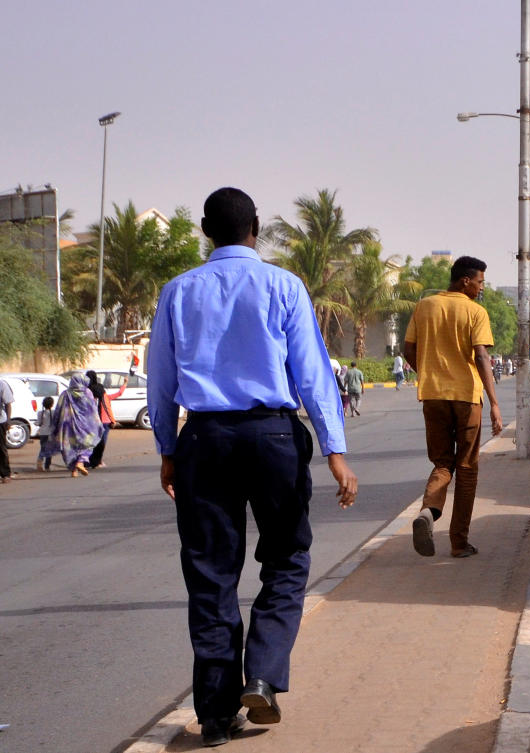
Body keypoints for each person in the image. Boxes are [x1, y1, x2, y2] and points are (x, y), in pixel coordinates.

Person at [147, 187, 357, 747]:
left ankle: (215, 714)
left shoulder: (177, 292)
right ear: (255, 228)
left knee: (211, 574)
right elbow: (312, 373)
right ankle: (261, 676)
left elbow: (161, 383)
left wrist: (169, 450)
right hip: (272, 438)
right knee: (287, 556)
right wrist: (335, 452)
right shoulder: (284, 286)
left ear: (204, 230)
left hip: (206, 440)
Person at [404, 255, 502, 559]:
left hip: (432, 396)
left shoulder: (424, 306)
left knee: (442, 464)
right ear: (466, 281)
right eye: (480, 282)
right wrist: (495, 404)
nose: (481, 288)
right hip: (467, 397)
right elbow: (482, 357)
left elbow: (408, 348)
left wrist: (428, 373)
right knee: (467, 468)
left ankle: (428, 512)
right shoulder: (475, 311)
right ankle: (459, 543)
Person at [47, 375, 103, 477]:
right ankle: (80, 462)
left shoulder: (65, 394)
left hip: (68, 426)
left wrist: (55, 425)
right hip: (85, 426)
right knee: (87, 443)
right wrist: (97, 423)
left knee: (69, 447)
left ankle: (73, 470)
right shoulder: (87, 393)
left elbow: (58, 410)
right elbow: (93, 409)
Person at [85, 370, 116, 469]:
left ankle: (85, 461)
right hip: (99, 418)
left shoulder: (84, 389)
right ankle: (96, 461)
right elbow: (106, 406)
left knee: (88, 441)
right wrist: (112, 420)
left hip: (87, 420)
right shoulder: (100, 388)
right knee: (100, 441)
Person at [35, 396, 56, 471]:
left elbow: (38, 423)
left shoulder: (40, 413)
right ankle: (47, 466)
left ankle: (39, 464)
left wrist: (35, 423)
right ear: (52, 404)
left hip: (42, 433)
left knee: (43, 448)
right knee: (49, 450)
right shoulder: (54, 412)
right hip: (50, 433)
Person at [0, 378, 12, 483]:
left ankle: (5, 474)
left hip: (0, 421)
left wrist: (8, 420)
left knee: (1, 448)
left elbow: (8, 404)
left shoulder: (2, 384)